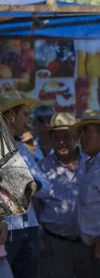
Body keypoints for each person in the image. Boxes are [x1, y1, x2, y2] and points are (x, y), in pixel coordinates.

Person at [0, 90, 52, 278]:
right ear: (11, 116)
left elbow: (46, 187)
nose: (28, 120)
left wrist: (28, 184)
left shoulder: (23, 150)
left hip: (30, 229)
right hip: (4, 230)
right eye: (24, 114)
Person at [37, 113, 92, 278]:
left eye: (66, 136)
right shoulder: (42, 168)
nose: (61, 141)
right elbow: (34, 206)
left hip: (87, 244)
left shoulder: (91, 164)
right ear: (51, 140)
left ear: (76, 138)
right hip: (55, 244)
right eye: (56, 137)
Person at [73, 109, 100, 271]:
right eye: (80, 131)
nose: (81, 137)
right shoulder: (90, 165)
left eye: (86, 131)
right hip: (89, 249)